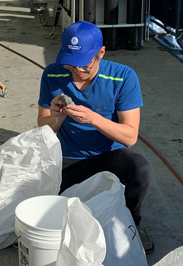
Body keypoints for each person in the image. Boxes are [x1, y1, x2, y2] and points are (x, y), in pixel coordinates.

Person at [37, 20, 154, 253]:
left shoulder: (123, 77)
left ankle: (131, 223)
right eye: (71, 65)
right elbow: (42, 127)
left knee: (138, 167)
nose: (77, 72)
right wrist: (56, 116)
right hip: (66, 159)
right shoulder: (52, 73)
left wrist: (94, 119)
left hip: (106, 158)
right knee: (48, 215)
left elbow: (130, 137)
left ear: (101, 53)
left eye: (84, 65)